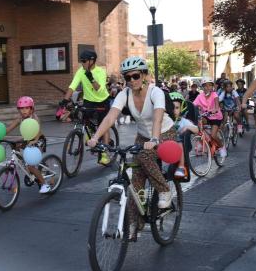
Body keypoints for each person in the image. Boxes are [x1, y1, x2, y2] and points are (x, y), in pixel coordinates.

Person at [88, 56, 177, 240]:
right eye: (127, 78)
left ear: (144, 75)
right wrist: (96, 137)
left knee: (144, 155)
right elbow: (110, 117)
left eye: (135, 76)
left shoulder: (156, 92)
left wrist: (154, 138)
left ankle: (164, 191)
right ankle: (134, 223)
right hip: (143, 136)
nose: (131, 81)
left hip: (164, 133)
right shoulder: (124, 94)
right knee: (135, 180)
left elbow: (159, 117)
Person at [61, 49, 111, 165]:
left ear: (92, 61)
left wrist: (91, 78)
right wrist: (65, 100)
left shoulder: (100, 72)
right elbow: (72, 86)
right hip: (88, 100)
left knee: (104, 127)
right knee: (84, 118)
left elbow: (100, 89)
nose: (82, 64)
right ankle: (91, 137)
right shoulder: (81, 71)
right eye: (81, 61)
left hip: (102, 101)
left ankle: (105, 154)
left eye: (84, 61)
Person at [6, 96, 51, 194]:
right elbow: (9, 129)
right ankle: (31, 168)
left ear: (31, 109)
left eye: (26, 108)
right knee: (15, 147)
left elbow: (37, 131)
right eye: (21, 109)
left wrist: (34, 141)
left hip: (38, 139)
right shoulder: (20, 119)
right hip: (27, 139)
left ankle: (44, 184)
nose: (24, 111)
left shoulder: (34, 118)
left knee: (30, 166)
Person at [193, 80, 226, 158]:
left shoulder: (214, 94)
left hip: (216, 117)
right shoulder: (200, 96)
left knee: (213, 135)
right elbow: (193, 105)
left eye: (209, 85)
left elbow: (217, 104)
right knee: (197, 126)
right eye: (205, 85)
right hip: (206, 116)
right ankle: (202, 142)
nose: (207, 87)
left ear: (212, 87)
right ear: (202, 87)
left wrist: (215, 109)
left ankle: (222, 147)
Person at [169, 92, 198, 179]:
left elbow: (196, 130)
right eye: (172, 107)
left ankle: (182, 166)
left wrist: (187, 127)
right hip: (167, 145)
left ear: (181, 108)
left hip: (183, 145)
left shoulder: (183, 121)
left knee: (178, 139)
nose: (174, 110)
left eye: (177, 108)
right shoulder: (166, 120)